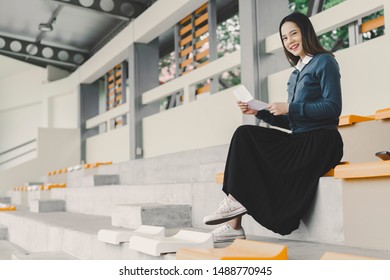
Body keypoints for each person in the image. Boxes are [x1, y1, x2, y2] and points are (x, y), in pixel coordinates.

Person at [203, 12, 344, 243]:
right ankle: (234, 223)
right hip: (300, 138)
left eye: (294, 34)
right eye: (285, 38)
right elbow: (291, 122)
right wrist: (258, 111)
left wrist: (290, 107)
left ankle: (234, 210)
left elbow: (333, 108)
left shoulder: (325, 62)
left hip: (322, 140)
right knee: (244, 134)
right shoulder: (295, 74)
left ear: (306, 32)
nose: (290, 41)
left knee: (247, 141)